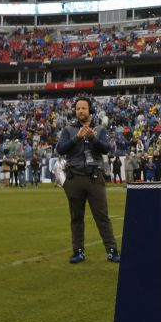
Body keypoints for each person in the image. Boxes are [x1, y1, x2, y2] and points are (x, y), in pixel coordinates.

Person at [55, 97, 120, 265]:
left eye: (84, 108)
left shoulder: (99, 129)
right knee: (76, 217)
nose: (80, 111)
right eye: (78, 108)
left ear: (90, 110)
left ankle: (112, 250)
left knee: (101, 216)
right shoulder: (68, 130)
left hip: (94, 177)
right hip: (74, 177)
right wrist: (76, 138)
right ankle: (78, 251)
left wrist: (93, 139)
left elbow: (107, 150)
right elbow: (60, 149)